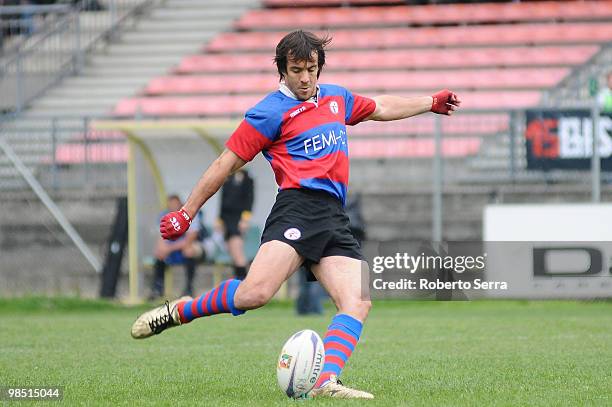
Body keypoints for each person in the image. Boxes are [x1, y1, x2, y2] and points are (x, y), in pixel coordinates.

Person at [131, 30, 460, 399]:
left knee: (358, 301)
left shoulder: (337, 98)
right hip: (296, 210)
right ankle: (181, 311)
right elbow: (225, 163)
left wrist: (430, 102)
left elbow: (381, 107)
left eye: (312, 69)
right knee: (254, 294)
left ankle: (325, 383)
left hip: (334, 215)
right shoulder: (267, 113)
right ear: (282, 71)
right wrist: (186, 212)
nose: (305, 78)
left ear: (320, 68)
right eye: (296, 70)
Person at [150, 194, 201, 299]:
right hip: (173, 248)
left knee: (189, 251)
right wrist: (162, 249)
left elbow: (190, 239)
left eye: (175, 204)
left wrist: (169, 249)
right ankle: (157, 288)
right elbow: (161, 238)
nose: (172, 206)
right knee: (159, 253)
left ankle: (189, 287)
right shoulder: (164, 216)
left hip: (193, 246)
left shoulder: (188, 214)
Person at [219, 169, 254, 280]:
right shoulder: (228, 177)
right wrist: (220, 220)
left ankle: (243, 280)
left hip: (238, 219)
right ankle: (239, 280)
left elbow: (249, 200)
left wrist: (245, 219)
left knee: (238, 252)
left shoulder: (248, 179)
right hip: (227, 219)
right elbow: (223, 201)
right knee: (233, 253)